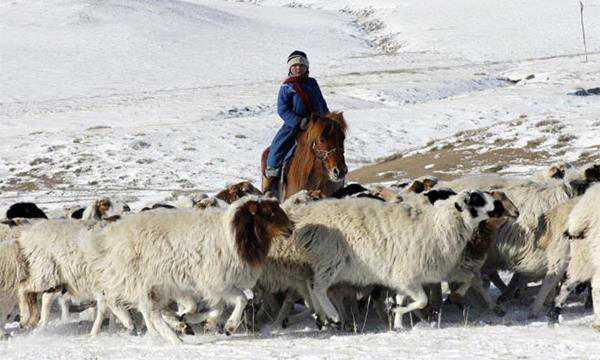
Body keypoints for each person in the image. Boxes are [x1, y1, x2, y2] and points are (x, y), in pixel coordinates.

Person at [265, 50, 330, 196]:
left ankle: (336, 176)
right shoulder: (286, 87)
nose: (298, 68)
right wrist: (299, 121)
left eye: (302, 65)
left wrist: (327, 117)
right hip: (294, 125)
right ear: (290, 68)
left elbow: (321, 102)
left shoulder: (312, 83)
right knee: (278, 146)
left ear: (307, 67)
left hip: (317, 124)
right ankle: (272, 181)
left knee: (332, 145)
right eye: (295, 66)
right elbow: (282, 109)